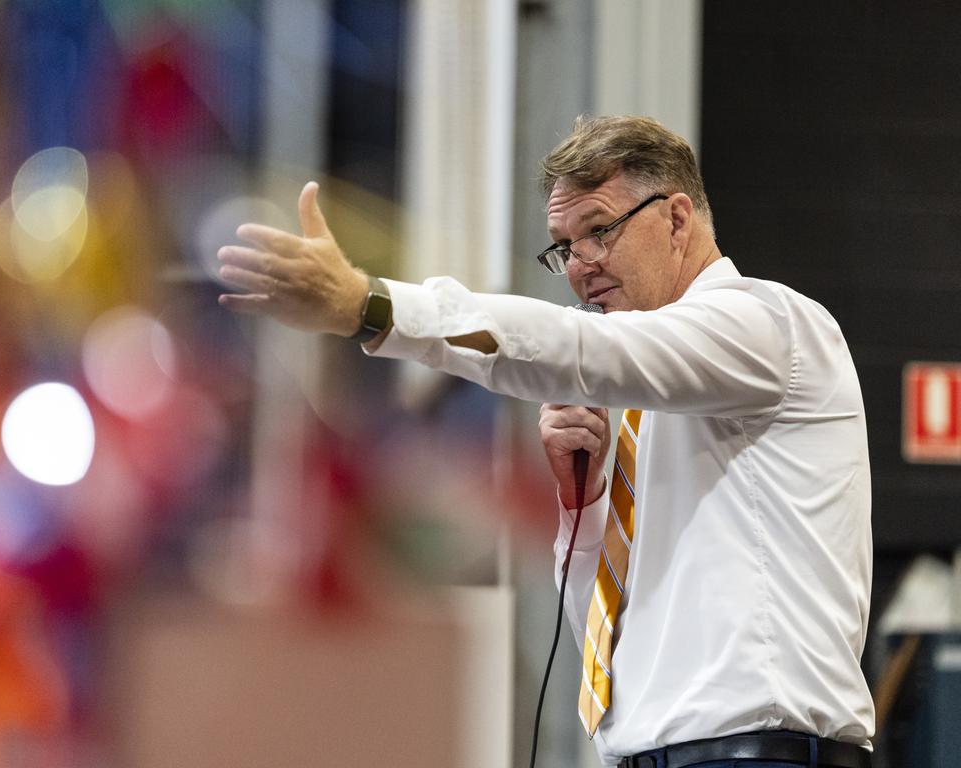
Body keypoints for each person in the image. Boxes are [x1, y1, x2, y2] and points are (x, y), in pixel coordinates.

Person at [217, 115, 875, 768]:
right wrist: (583, 505)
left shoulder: (768, 326)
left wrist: (371, 304)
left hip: (759, 757)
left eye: (599, 231)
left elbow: (576, 347)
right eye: (564, 246)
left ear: (678, 220)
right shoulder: (643, 397)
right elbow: (605, 632)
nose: (579, 267)